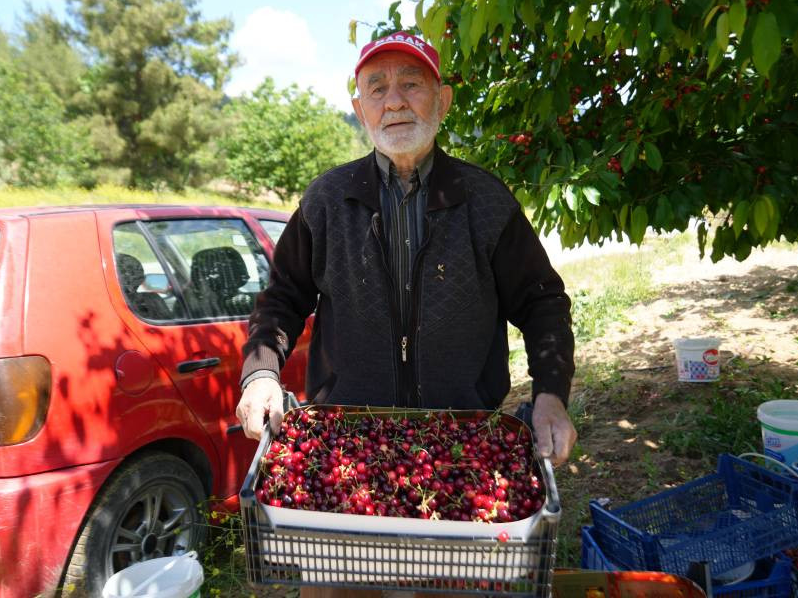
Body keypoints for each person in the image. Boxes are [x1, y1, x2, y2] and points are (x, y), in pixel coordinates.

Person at [234, 31, 577, 597]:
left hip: (462, 450)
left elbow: (543, 300)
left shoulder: (485, 201)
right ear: (359, 107)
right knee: (339, 592)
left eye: (411, 84)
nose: (394, 100)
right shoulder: (326, 200)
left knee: (456, 588)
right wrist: (263, 373)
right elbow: (282, 298)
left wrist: (551, 394)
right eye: (377, 87)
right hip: (346, 451)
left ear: (440, 100)